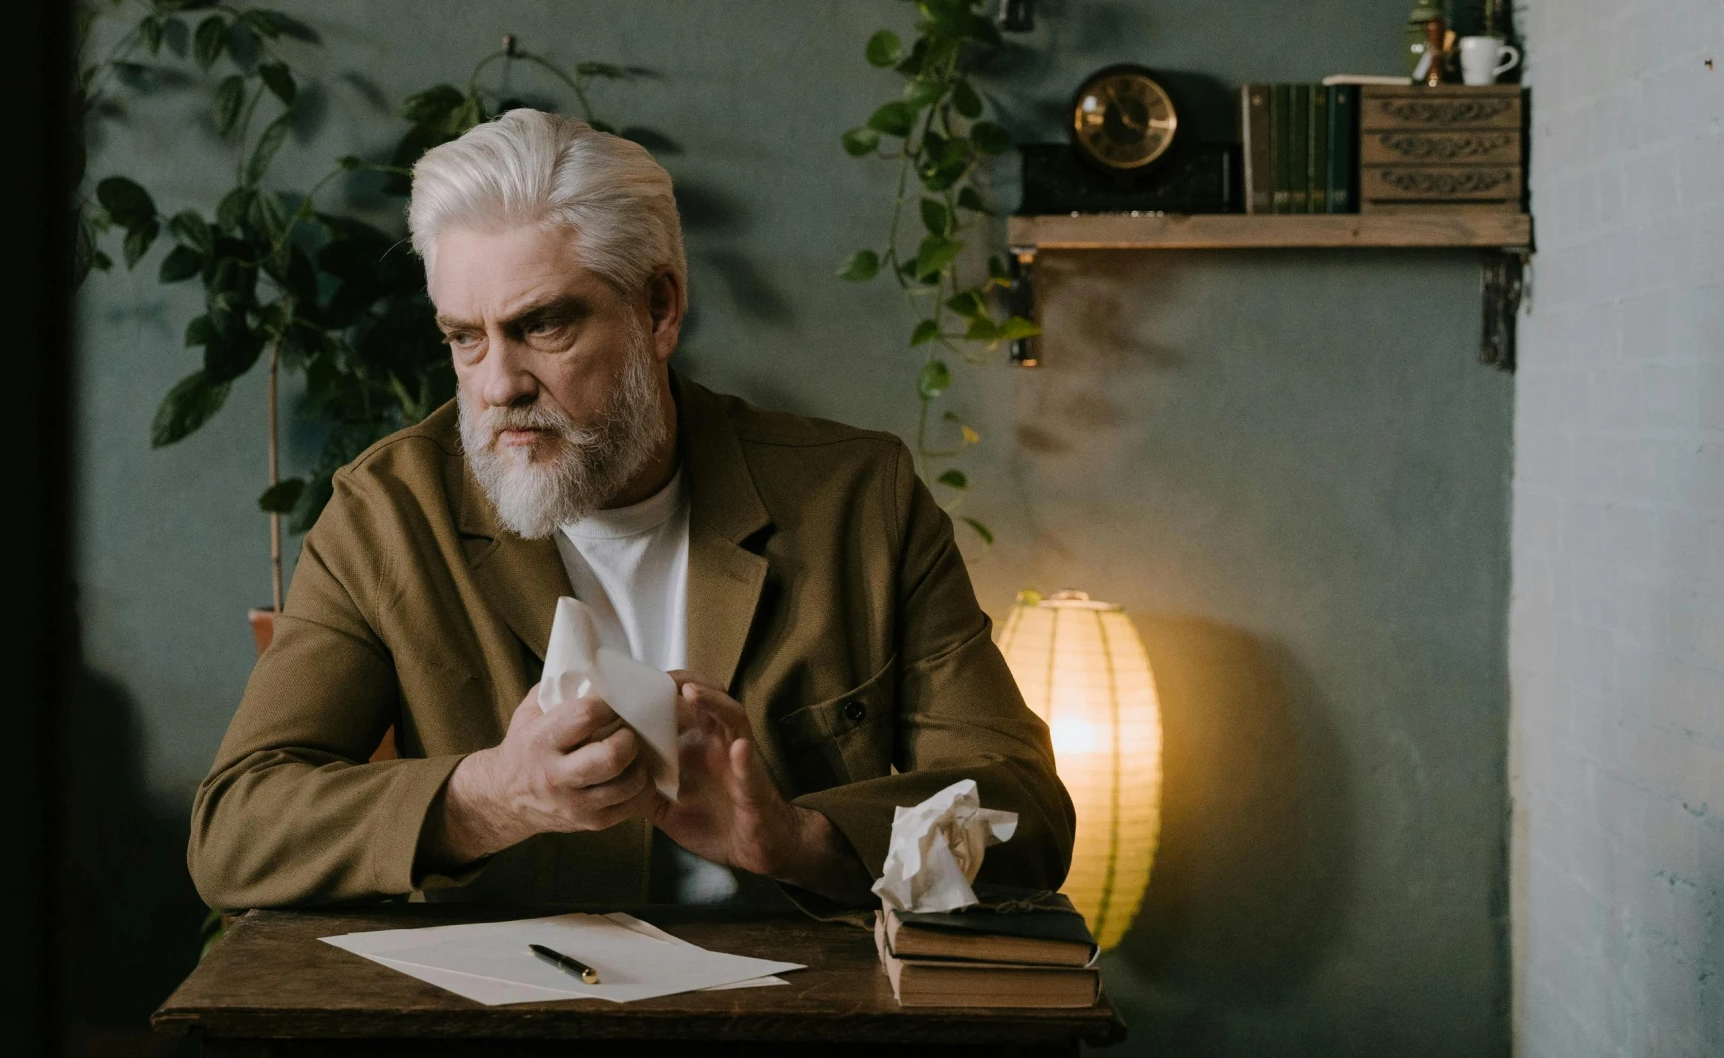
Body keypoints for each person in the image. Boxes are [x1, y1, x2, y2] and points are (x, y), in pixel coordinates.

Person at [188, 109, 1073, 910]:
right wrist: (486, 797)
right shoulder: (385, 514)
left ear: (658, 307)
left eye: (542, 326)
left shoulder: (858, 498)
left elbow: (1022, 810)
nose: (497, 384)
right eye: (464, 337)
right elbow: (235, 832)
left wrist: (798, 838)